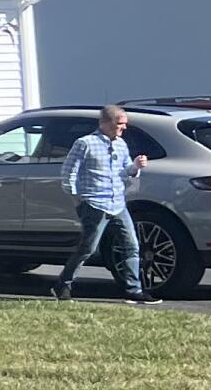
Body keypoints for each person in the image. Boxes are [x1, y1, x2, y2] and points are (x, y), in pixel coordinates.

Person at [52, 104, 150, 304]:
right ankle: (63, 284)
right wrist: (77, 197)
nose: (123, 128)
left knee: (131, 245)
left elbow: (126, 171)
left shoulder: (121, 144)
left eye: (124, 125)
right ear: (105, 123)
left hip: (118, 202)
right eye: (119, 124)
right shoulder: (85, 143)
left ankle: (134, 290)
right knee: (88, 248)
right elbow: (69, 171)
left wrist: (136, 167)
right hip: (95, 203)